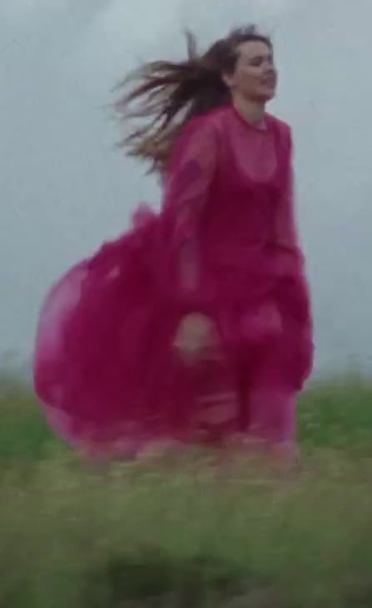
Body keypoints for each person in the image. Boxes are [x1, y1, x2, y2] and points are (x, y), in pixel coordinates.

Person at [33, 25, 312, 463]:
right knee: (196, 435)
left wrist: (295, 303)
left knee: (269, 437)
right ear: (229, 77)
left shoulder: (281, 136)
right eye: (256, 62)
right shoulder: (208, 135)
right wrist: (191, 309)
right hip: (201, 287)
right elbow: (182, 223)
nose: (269, 69)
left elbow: (282, 225)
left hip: (260, 294)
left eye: (271, 61)